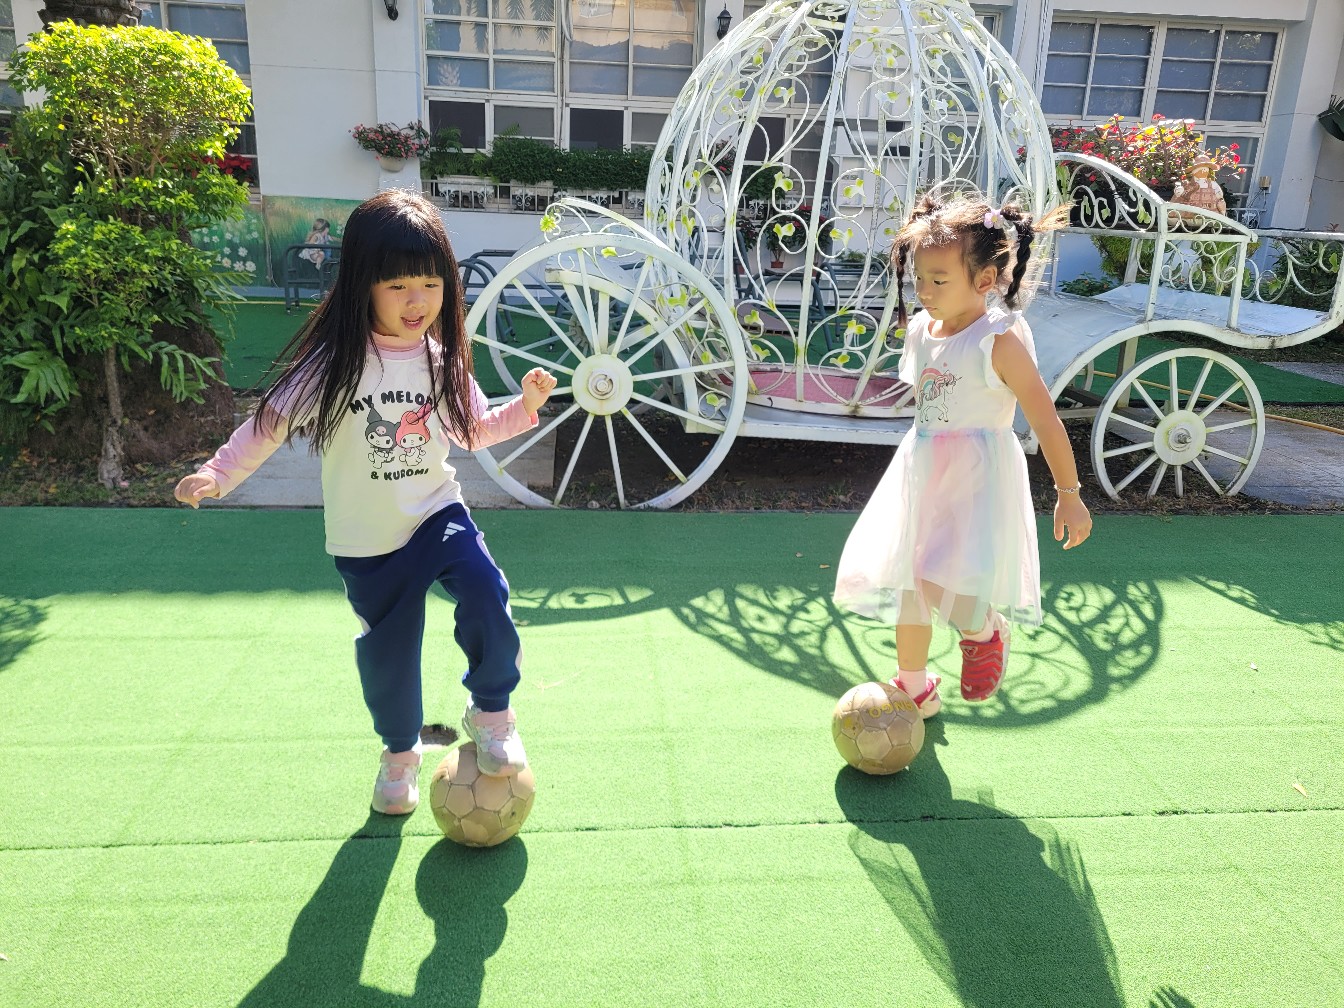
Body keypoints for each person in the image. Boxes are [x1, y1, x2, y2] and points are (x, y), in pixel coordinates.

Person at [174, 190, 557, 815]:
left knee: (487, 590)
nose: (417, 301)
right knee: (389, 655)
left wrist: (527, 407)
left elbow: (474, 429)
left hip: (436, 514)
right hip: (367, 541)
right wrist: (217, 473)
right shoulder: (332, 365)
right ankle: (399, 756)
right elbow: (268, 425)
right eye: (398, 285)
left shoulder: (441, 362)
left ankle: (492, 714)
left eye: (430, 284)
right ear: (363, 286)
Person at [833, 193, 1092, 718]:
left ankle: (984, 630)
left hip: (976, 478)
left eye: (939, 280)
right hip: (923, 470)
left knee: (937, 577)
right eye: (919, 279)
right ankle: (914, 687)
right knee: (909, 575)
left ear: (984, 279)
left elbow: (1045, 419)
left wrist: (1070, 494)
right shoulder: (922, 331)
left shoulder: (998, 341)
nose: (925, 292)